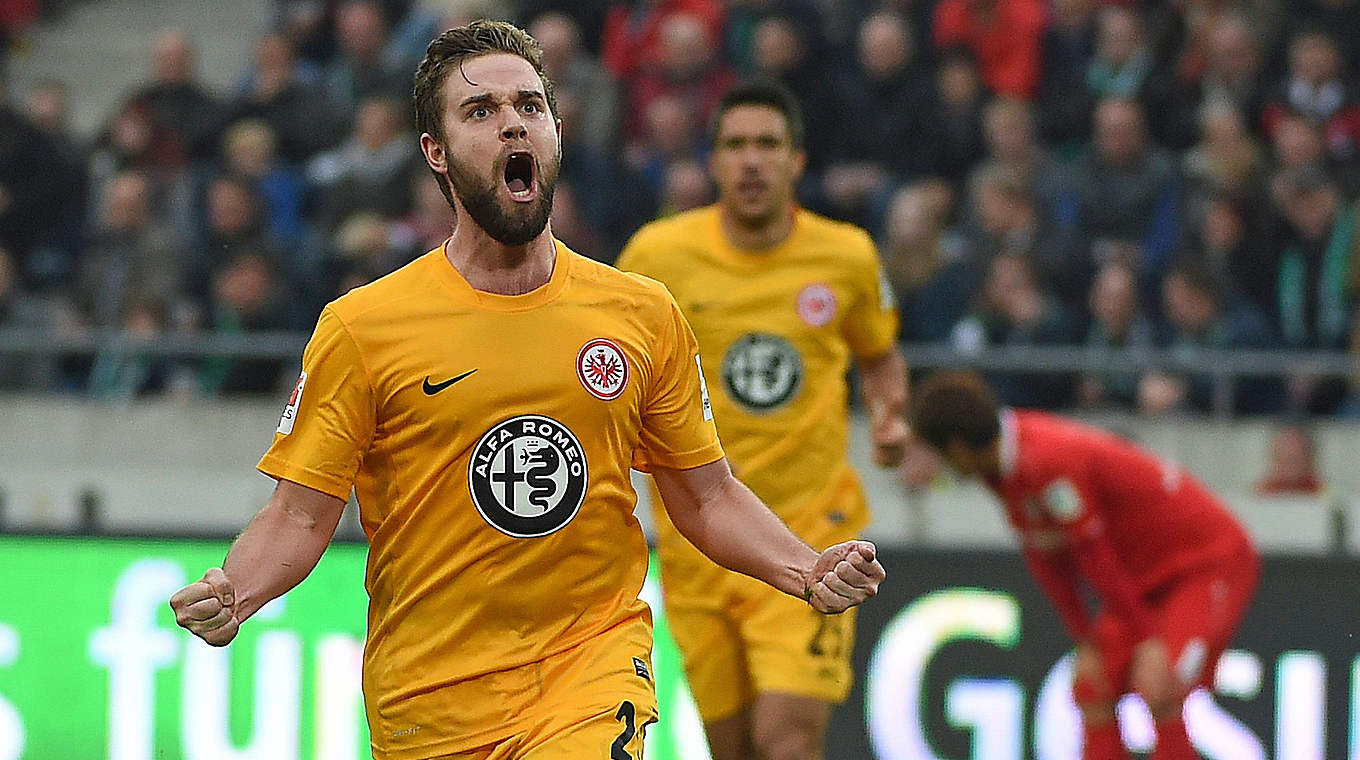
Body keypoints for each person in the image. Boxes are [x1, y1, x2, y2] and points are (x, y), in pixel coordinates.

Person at [168, 21, 884, 760]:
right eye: (480, 111)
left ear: (556, 134)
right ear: (435, 153)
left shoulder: (640, 314)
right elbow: (300, 514)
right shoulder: (363, 327)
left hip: (590, 670)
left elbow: (705, 494)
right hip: (428, 696)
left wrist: (805, 566)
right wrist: (238, 591)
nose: (513, 121)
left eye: (530, 106)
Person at [616, 80, 909, 760]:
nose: (752, 162)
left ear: (796, 162)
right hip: (700, 547)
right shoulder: (657, 259)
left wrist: (891, 418)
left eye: (768, 146)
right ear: (713, 163)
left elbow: (882, 358)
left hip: (811, 536)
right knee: (735, 748)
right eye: (737, 146)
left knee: (788, 742)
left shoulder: (846, 257)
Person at [908, 371, 1259, 760]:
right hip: (1146, 580)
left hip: (1206, 563)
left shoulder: (1046, 459)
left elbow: (1095, 558)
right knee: (1092, 687)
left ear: (956, 447)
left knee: (1159, 686)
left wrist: (1146, 640)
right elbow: (1048, 560)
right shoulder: (1003, 469)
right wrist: (1086, 642)